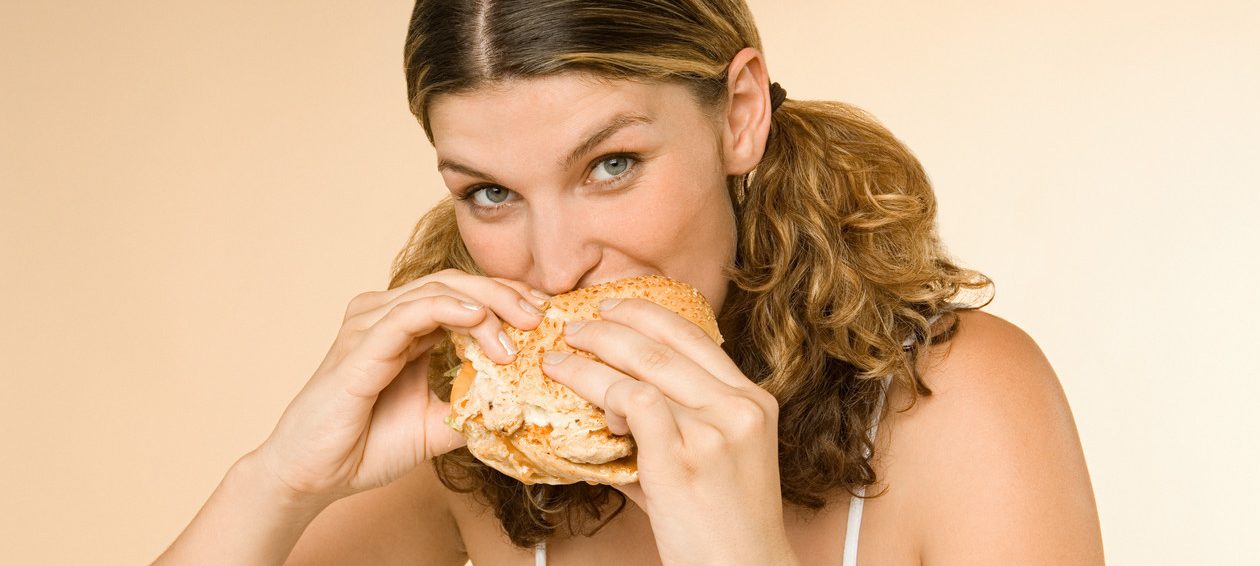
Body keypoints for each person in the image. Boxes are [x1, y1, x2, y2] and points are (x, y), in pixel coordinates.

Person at [152, 0, 1104, 564]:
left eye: (610, 165)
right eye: (490, 193)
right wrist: (277, 480)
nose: (556, 262)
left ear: (737, 115)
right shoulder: (471, 448)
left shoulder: (961, 400)